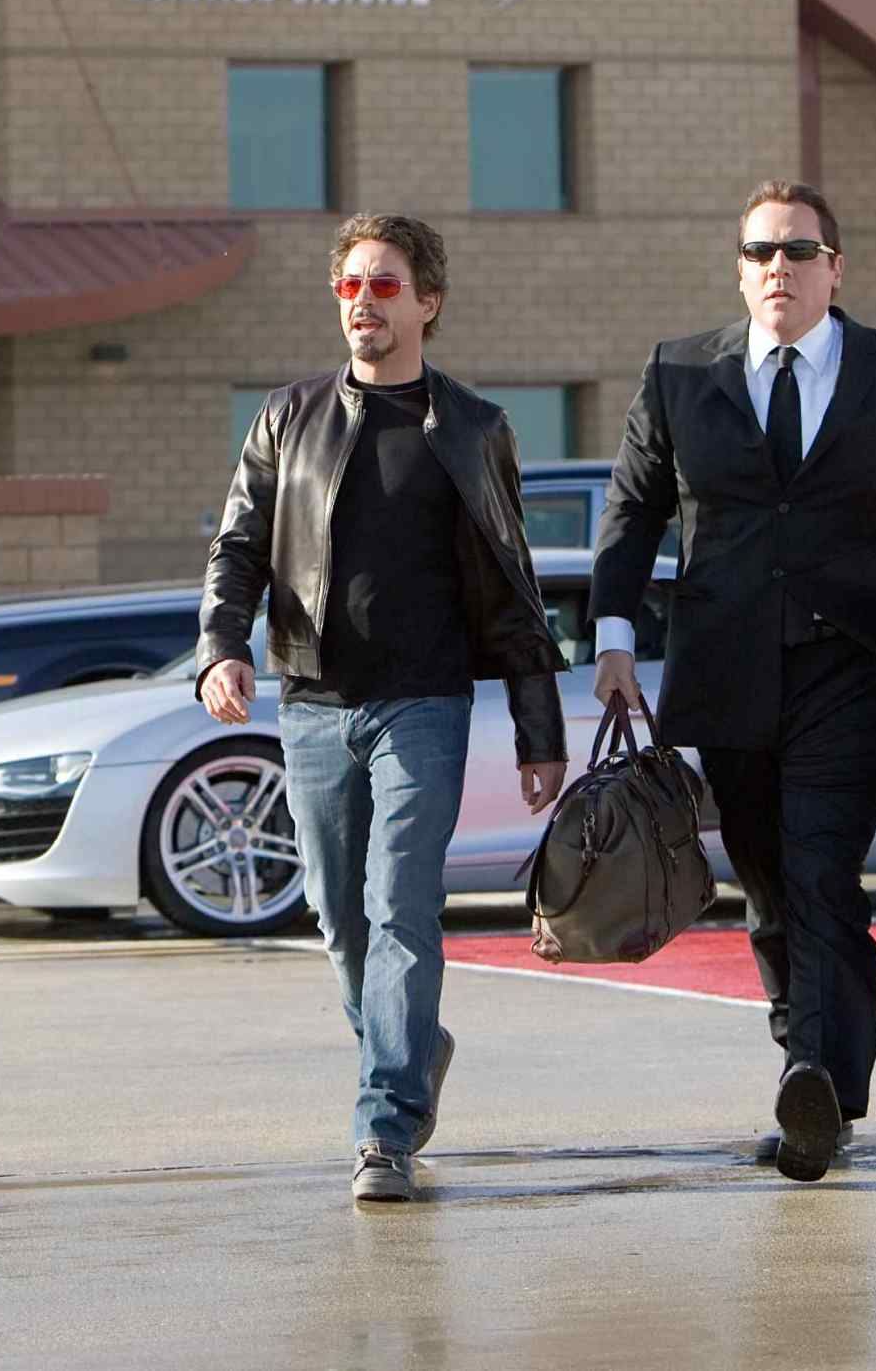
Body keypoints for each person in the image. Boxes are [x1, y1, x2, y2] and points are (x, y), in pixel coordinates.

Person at [589, 179, 876, 1182]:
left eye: (798, 251)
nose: (778, 267)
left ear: (835, 269)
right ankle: (808, 1067)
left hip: (853, 663)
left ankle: (816, 1078)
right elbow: (634, 509)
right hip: (729, 664)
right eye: (760, 252)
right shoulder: (678, 372)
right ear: (740, 271)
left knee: (822, 868)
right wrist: (612, 637)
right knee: (770, 883)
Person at [197, 213, 569, 1205]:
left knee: (401, 905)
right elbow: (239, 546)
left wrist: (538, 730)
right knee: (337, 913)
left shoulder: (473, 428)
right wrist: (220, 648)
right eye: (350, 285)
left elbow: (514, 582)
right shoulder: (288, 417)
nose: (362, 301)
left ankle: (385, 1129)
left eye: (385, 285)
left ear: (427, 302)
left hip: (425, 705)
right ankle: (411, 1049)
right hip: (314, 702)